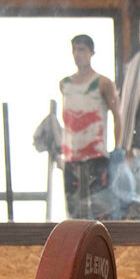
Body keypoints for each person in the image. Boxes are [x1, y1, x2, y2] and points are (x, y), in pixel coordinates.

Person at [59, 34, 120, 219]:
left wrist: (118, 150)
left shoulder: (102, 83)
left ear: (91, 53)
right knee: (74, 214)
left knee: (100, 213)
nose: (78, 54)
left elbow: (117, 116)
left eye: (82, 50)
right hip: (72, 157)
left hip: (96, 156)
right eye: (75, 50)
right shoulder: (65, 84)